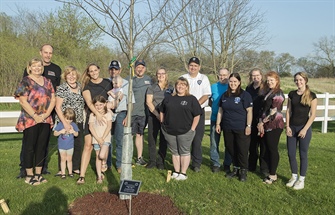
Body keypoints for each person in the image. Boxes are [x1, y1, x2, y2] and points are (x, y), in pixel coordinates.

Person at [17, 44, 61, 178]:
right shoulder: (26, 80)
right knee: (29, 146)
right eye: (34, 66)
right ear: (29, 67)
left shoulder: (50, 78)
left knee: (42, 146)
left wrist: (46, 114)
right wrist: (35, 116)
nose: (37, 68)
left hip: (46, 117)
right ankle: (27, 173)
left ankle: (39, 173)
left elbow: (54, 96)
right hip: (31, 118)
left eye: (39, 66)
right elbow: (23, 100)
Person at [160, 77, 202, 180]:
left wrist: (192, 129)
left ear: (187, 87)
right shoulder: (169, 98)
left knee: (184, 152)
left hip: (186, 131)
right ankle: (176, 171)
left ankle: (183, 173)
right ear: (175, 86)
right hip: (169, 131)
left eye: (183, 84)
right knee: (175, 152)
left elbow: (197, 115)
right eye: (179, 84)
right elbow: (162, 110)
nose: (181, 86)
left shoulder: (191, 99)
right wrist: (162, 122)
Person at [77, 63, 112, 184]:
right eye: (90, 71)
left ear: (99, 70)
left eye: (95, 70)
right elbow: (88, 101)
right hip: (92, 117)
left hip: (105, 117)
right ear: (88, 73)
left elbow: (112, 97)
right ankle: (82, 175)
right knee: (88, 145)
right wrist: (97, 114)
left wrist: (106, 112)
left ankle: (101, 171)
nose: (93, 73)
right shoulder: (87, 86)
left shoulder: (108, 82)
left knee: (103, 142)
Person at [215, 73, 253, 182]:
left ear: (239, 82)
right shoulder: (225, 95)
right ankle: (235, 169)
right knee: (231, 148)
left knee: (242, 150)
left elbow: (249, 111)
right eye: (231, 81)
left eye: (235, 81)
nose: (232, 84)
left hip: (241, 127)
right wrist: (218, 124)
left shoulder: (245, 95)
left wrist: (248, 125)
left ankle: (243, 171)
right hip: (227, 127)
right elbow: (220, 111)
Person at [285, 72, 317, 190]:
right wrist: (287, 126)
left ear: (305, 80)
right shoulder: (292, 94)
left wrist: (304, 129)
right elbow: (288, 111)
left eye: (300, 79)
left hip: (304, 128)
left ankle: (301, 180)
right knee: (291, 153)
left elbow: (313, 115)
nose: (298, 82)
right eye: (296, 80)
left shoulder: (312, 95)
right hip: (292, 128)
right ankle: (294, 176)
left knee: (303, 154)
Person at [181, 57, 211, 172]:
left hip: (198, 112)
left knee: (197, 138)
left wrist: (195, 106)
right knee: (185, 138)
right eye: (191, 65)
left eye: (195, 66)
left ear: (199, 67)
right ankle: (185, 160)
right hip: (185, 113)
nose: (193, 68)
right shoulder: (183, 77)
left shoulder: (203, 78)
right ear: (188, 66)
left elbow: (206, 95)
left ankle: (196, 162)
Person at [54, 66, 85, 177]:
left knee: (78, 143)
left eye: (73, 74)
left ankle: (75, 167)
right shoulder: (62, 88)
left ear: (77, 76)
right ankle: (61, 169)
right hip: (65, 119)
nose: (71, 77)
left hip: (78, 120)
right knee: (64, 142)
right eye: (69, 74)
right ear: (65, 76)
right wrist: (65, 123)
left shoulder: (80, 87)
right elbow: (57, 107)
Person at [106, 60, 135, 174]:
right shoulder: (106, 82)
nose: (114, 71)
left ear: (120, 70)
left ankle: (119, 164)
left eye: (116, 69)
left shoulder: (127, 83)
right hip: (108, 113)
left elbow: (131, 102)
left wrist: (128, 116)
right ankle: (107, 164)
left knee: (119, 139)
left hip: (121, 113)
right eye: (112, 69)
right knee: (107, 139)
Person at [257, 71, 285, 184]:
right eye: (268, 80)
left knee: (272, 149)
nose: (269, 82)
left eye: (272, 80)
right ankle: (268, 170)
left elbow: (273, 111)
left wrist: (261, 123)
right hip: (265, 123)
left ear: (277, 81)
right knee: (265, 148)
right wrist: (260, 122)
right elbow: (263, 109)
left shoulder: (278, 94)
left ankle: (273, 175)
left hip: (274, 125)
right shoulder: (269, 92)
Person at [145, 67, 174, 169]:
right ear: (156, 75)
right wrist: (157, 115)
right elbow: (149, 102)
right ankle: (152, 161)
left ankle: (161, 161)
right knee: (152, 139)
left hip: (166, 117)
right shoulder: (152, 88)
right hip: (154, 116)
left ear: (166, 74)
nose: (161, 75)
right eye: (159, 73)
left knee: (163, 140)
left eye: (163, 73)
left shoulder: (171, 88)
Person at [209, 68, 232, 173]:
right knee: (214, 142)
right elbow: (210, 101)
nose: (222, 77)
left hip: (228, 119)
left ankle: (227, 163)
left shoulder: (232, 86)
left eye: (225, 75)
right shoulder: (213, 87)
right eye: (220, 75)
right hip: (214, 118)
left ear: (229, 75)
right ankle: (215, 163)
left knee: (228, 143)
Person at [130, 59, 152, 166]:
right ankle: (128, 158)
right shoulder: (130, 80)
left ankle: (139, 158)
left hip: (143, 113)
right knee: (130, 136)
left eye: (142, 67)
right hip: (132, 113)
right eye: (138, 67)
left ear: (145, 68)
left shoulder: (149, 80)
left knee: (140, 135)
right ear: (135, 69)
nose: (140, 69)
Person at [245, 68, 268, 174]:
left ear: (261, 76)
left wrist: (263, 121)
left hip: (263, 120)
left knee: (263, 145)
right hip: (251, 119)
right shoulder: (248, 88)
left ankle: (264, 168)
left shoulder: (266, 88)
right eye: (253, 76)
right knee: (252, 145)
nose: (256, 77)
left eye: (257, 75)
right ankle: (252, 165)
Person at [89, 96, 113, 184]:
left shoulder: (108, 114)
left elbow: (109, 126)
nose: (99, 107)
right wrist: (98, 139)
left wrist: (102, 138)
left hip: (105, 138)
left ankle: (104, 162)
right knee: (97, 157)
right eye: (96, 105)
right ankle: (99, 176)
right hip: (96, 138)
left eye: (101, 105)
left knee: (102, 155)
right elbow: (91, 127)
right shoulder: (92, 115)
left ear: (105, 104)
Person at [53, 108, 79, 179]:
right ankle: (63, 173)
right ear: (64, 117)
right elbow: (55, 133)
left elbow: (77, 134)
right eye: (67, 119)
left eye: (71, 119)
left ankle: (70, 172)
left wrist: (73, 131)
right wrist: (60, 132)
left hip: (70, 146)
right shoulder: (60, 124)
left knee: (69, 159)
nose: (69, 121)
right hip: (62, 146)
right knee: (63, 159)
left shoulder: (73, 125)